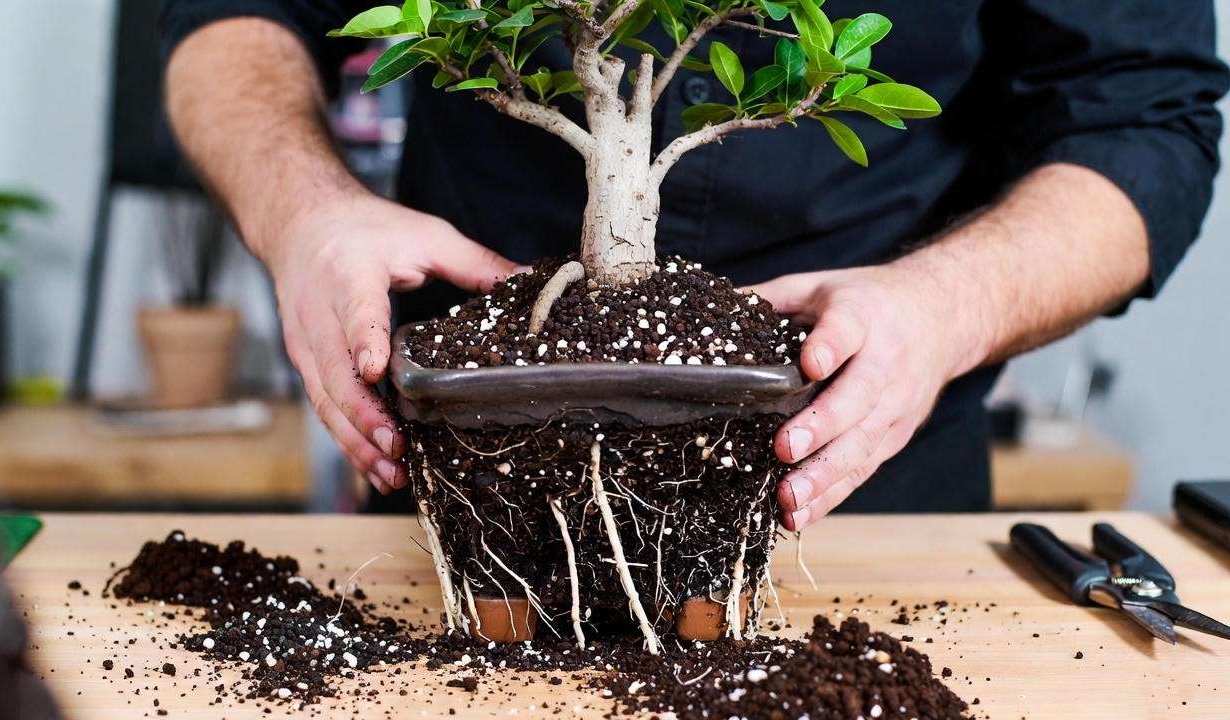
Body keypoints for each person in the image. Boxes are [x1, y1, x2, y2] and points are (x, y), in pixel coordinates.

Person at [160, 1, 1228, 527]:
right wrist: (306, 215)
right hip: (468, 477)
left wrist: (949, 301)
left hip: (855, 492)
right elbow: (224, 15)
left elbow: (1147, 119)